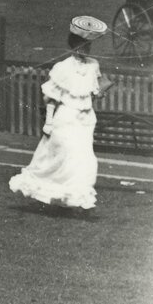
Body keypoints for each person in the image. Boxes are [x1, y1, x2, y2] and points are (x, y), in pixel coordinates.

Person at [9, 16, 108, 211]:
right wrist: (49, 121)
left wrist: (100, 91)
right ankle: (45, 193)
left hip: (85, 120)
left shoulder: (93, 66)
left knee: (84, 159)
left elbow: (93, 91)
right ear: (73, 47)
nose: (84, 50)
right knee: (61, 157)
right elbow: (52, 97)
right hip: (67, 118)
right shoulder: (63, 68)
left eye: (87, 46)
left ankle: (73, 198)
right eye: (80, 46)